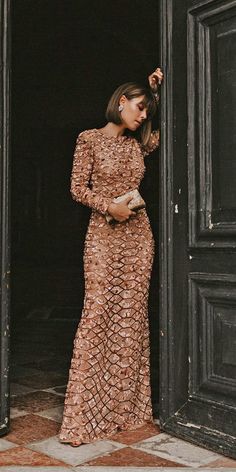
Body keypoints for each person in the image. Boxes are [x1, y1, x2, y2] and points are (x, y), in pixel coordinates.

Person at [59, 67, 164, 446]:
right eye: (138, 108)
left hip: (138, 238)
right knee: (99, 313)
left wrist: (156, 93)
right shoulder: (87, 139)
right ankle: (83, 419)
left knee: (131, 317)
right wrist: (109, 207)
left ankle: (127, 412)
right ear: (120, 102)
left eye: (146, 113)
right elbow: (76, 187)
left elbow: (158, 134)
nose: (142, 117)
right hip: (104, 236)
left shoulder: (139, 144)